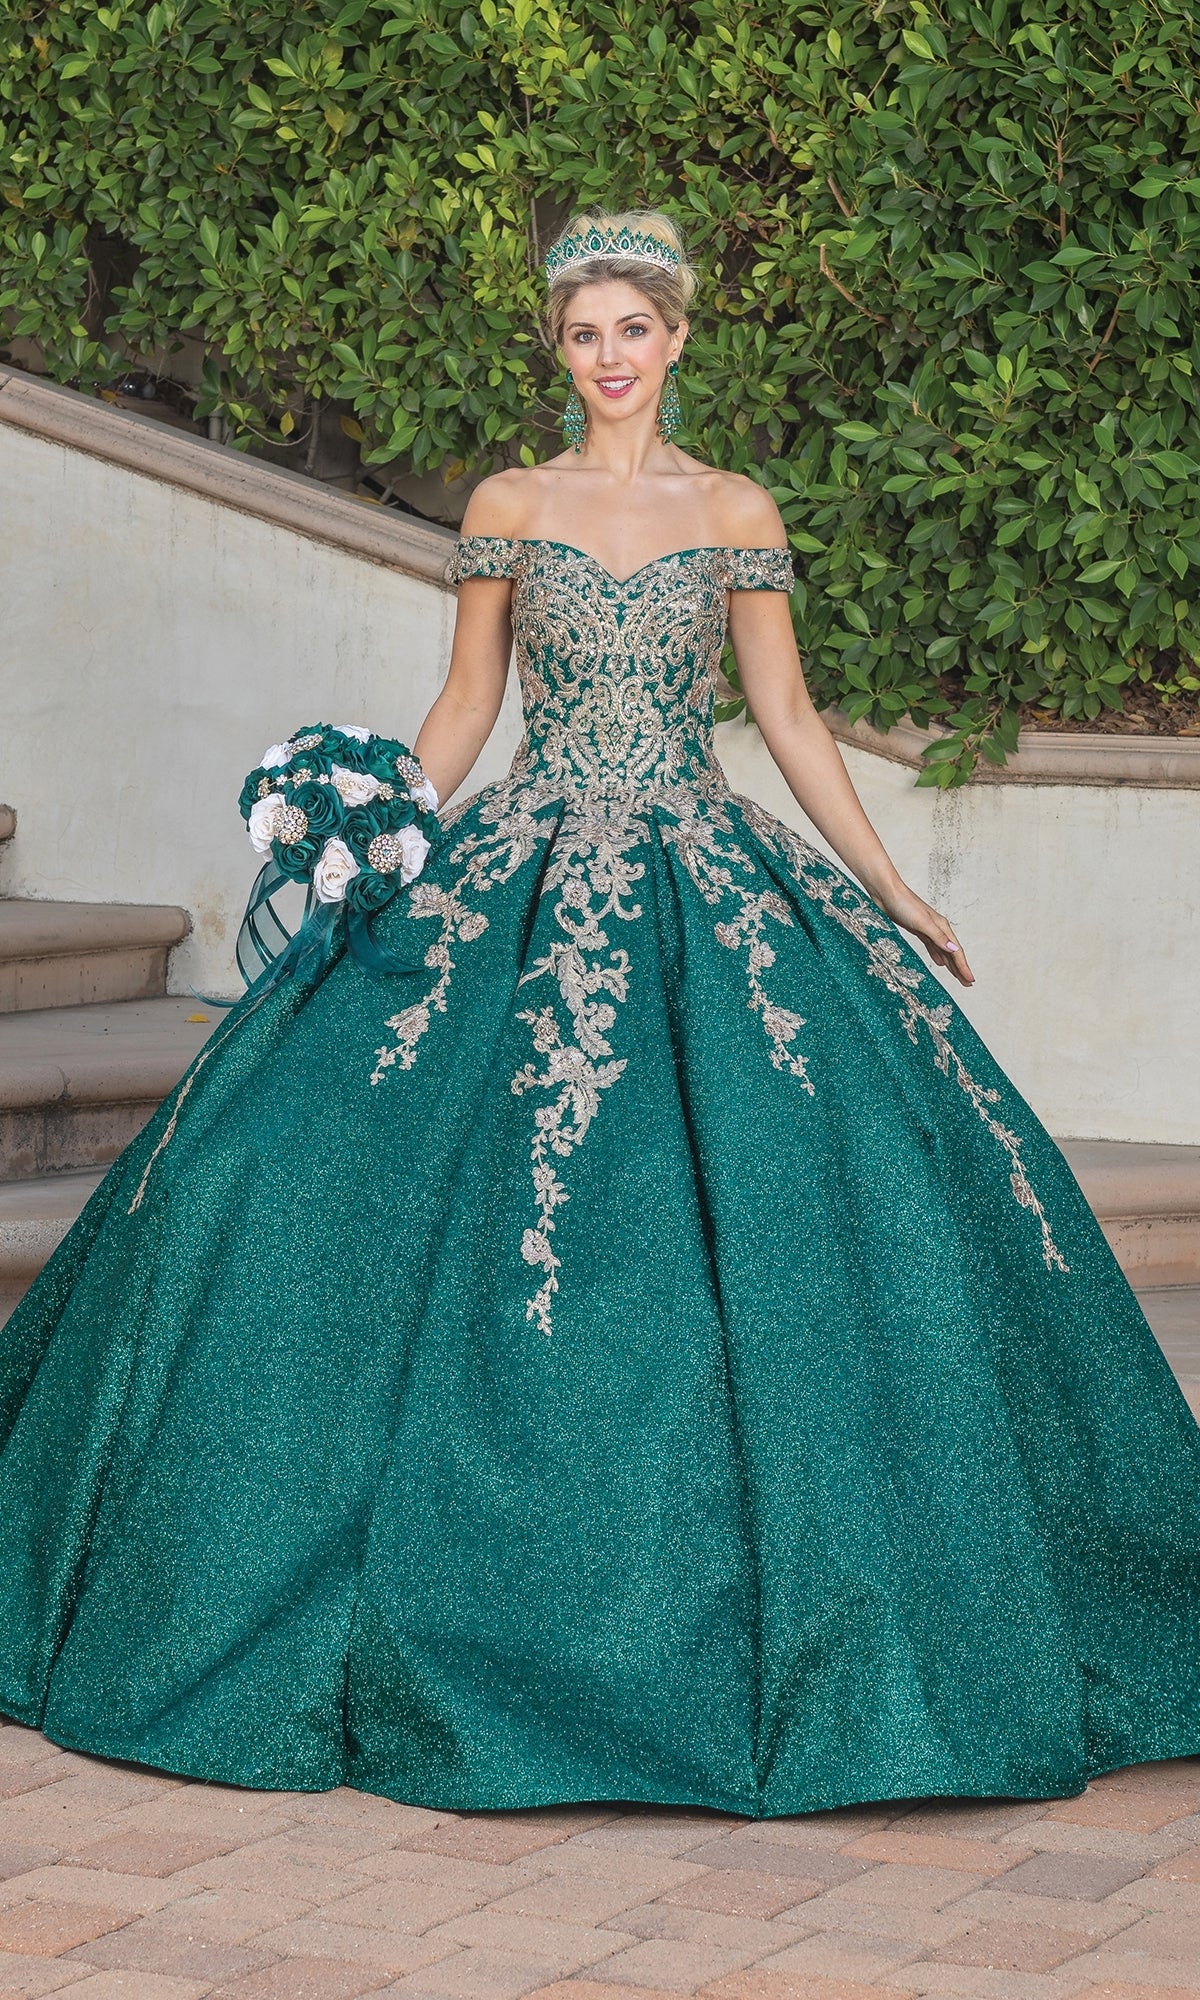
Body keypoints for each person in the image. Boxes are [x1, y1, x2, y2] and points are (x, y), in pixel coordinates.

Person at [2, 207, 1199, 1819]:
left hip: (708, 866)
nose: (610, 357)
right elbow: (466, 706)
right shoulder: (511, 503)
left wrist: (892, 889)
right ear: (559, 349)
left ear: (680, 339)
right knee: (293, 1159)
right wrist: (376, 831)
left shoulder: (735, 509)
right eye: (584, 334)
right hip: (521, 849)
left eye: (635, 329)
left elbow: (787, 714)